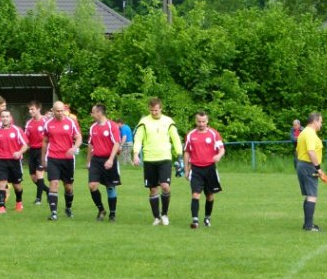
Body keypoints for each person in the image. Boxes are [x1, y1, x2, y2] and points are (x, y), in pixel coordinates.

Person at [133, 97, 183, 226]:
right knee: (153, 190)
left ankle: (164, 214)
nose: (154, 112)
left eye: (156, 110)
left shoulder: (168, 121)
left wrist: (179, 154)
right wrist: (136, 154)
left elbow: (175, 138)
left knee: (165, 186)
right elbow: (138, 139)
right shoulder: (144, 122)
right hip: (149, 159)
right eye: (151, 110)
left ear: (161, 108)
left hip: (165, 158)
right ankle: (156, 217)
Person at [42, 101, 83, 221]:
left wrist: (74, 148)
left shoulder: (71, 122)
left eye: (62, 110)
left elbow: (79, 137)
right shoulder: (48, 124)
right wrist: (43, 159)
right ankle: (53, 212)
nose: (60, 113)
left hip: (67, 159)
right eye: (58, 111)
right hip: (53, 157)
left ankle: (68, 208)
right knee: (54, 183)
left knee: (68, 187)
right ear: (53, 111)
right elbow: (45, 141)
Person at [183, 111, 225, 229]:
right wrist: (186, 169)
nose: (201, 124)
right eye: (199, 121)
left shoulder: (213, 134)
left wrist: (218, 156)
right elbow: (187, 152)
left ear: (207, 121)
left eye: (203, 121)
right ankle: (195, 221)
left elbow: (222, 149)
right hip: (196, 169)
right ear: (195, 121)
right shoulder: (190, 135)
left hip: (210, 169)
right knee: (195, 194)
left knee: (210, 196)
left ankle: (207, 218)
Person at [0, 110, 28, 214]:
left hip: (15, 162)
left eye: (7, 116)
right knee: (1, 183)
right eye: (3, 117)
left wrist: (19, 152)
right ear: (0, 118)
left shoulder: (17, 130)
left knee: (17, 185)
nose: (5, 118)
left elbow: (25, 145)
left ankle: (19, 202)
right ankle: (2, 206)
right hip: (1, 161)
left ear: (10, 118)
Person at [87, 104, 122, 222]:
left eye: (93, 112)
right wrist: (88, 162)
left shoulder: (112, 126)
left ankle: (112, 214)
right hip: (96, 160)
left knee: (110, 187)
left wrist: (111, 159)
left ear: (99, 113)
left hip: (109, 158)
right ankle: (101, 210)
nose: (91, 114)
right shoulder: (93, 127)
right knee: (92, 186)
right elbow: (90, 145)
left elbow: (116, 143)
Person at [295, 112, 326, 231]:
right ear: (315, 121)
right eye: (320, 122)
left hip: (302, 164)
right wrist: (318, 168)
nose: (321, 124)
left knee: (309, 195)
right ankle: (309, 226)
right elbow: (311, 151)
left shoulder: (303, 133)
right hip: (309, 166)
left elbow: (297, 151)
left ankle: (307, 224)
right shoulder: (310, 133)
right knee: (312, 195)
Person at [24, 101, 50, 205]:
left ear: (38, 109)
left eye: (32, 109)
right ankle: (48, 191)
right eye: (29, 109)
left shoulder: (46, 121)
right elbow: (25, 138)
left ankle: (38, 199)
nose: (30, 111)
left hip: (42, 151)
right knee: (33, 178)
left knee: (39, 174)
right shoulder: (29, 123)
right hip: (32, 151)